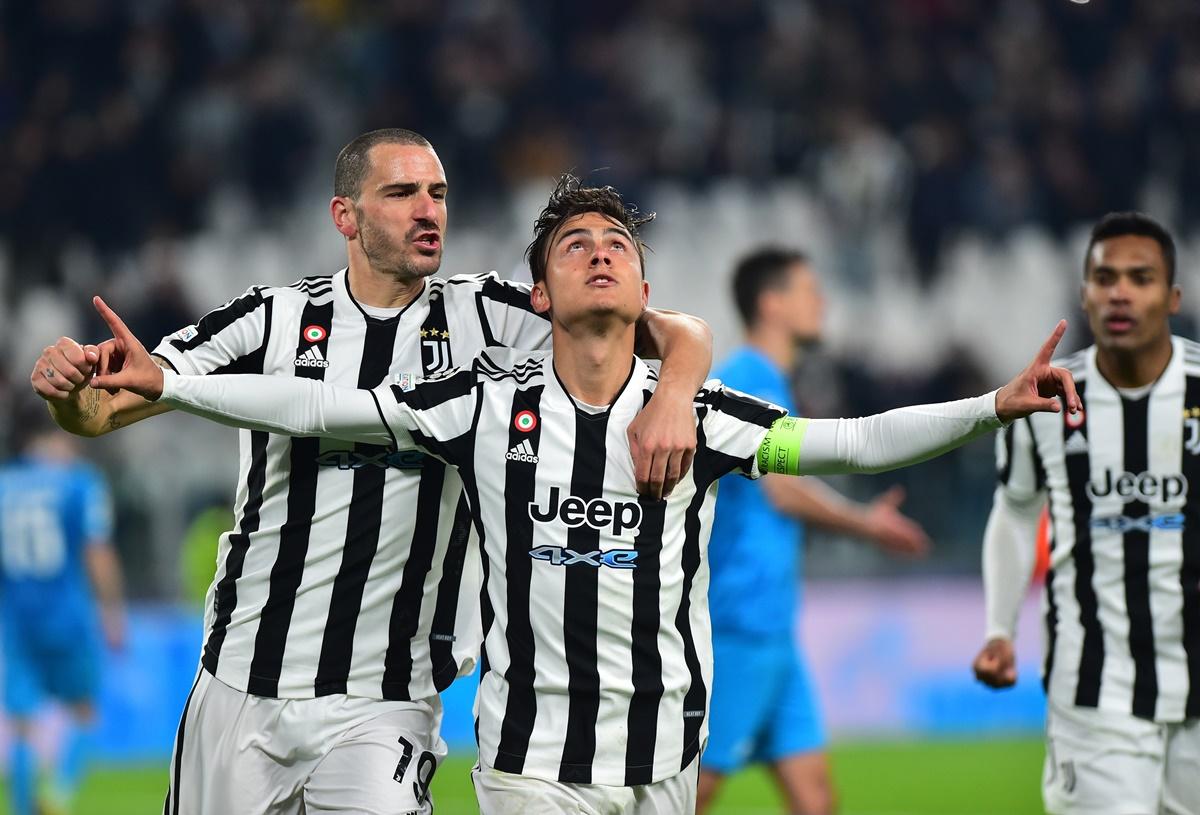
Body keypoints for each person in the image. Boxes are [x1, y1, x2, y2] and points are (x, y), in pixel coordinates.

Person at [87, 173, 1078, 814]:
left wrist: (993, 403)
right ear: (542, 298)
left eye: (618, 242)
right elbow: (316, 407)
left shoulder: (703, 410)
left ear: (645, 290)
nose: (600, 249)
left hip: (663, 760)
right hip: (532, 767)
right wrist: (172, 381)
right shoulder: (477, 404)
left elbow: (851, 442)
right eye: (574, 246)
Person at [28, 130, 710, 815]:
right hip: (241, 680)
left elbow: (676, 331)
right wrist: (69, 393)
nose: (427, 210)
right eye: (402, 193)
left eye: (437, 194)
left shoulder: (490, 315)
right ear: (345, 216)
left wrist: (675, 395)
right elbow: (113, 405)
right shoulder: (275, 318)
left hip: (387, 698)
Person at [972, 212, 1200, 815]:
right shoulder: (1042, 397)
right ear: (1084, 293)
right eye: (1105, 277)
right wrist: (1000, 629)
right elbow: (1017, 511)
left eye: (1140, 277)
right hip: (1093, 687)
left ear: (1172, 296)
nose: (1120, 291)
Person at [698, 248, 931, 815]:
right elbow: (779, 486)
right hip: (739, 623)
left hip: (774, 628)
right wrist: (864, 523)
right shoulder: (748, 376)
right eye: (809, 290)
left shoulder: (771, 378)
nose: (821, 301)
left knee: (816, 800)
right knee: (690, 795)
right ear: (772, 304)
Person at [0, 406, 125, 815]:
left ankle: (22, 808)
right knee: (85, 710)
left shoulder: (4, 486)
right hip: (68, 617)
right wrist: (112, 614)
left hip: (17, 622)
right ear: (58, 435)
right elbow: (97, 551)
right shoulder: (78, 482)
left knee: (21, 721)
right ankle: (56, 796)